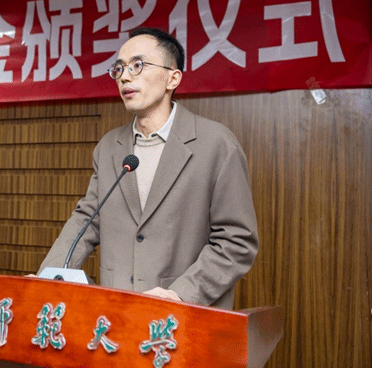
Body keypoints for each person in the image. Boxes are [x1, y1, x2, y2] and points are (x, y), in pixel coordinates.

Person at [37, 27, 258, 309]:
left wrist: (180, 293)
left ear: (172, 78)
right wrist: (47, 278)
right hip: (115, 314)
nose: (125, 77)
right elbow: (86, 221)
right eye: (119, 68)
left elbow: (236, 242)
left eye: (137, 66)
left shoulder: (216, 144)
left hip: (184, 314)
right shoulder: (109, 147)